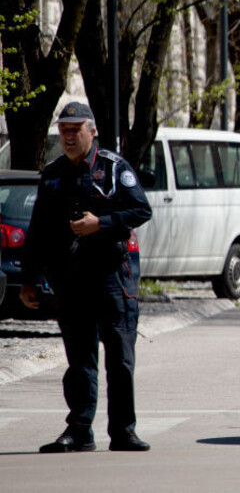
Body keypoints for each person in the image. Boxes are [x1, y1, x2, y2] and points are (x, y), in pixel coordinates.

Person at [23, 102, 153, 453]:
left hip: (113, 276)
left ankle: (124, 431)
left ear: (91, 131)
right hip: (72, 280)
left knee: (120, 358)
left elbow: (141, 209)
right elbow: (38, 231)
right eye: (63, 130)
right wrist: (30, 279)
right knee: (80, 361)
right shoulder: (52, 174)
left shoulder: (113, 168)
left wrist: (102, 224)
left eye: (75, 129)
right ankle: (80, 430)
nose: (68, 136)